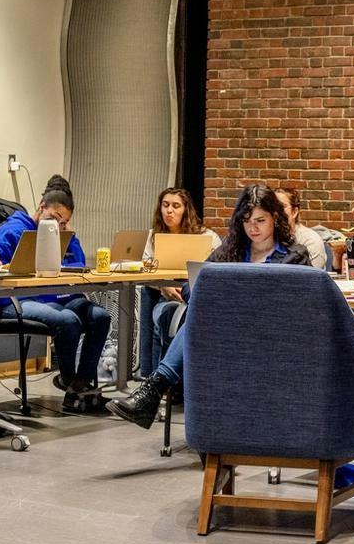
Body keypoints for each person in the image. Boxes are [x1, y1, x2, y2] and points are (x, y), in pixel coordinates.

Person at [112, 184, 313, 429]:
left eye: (261, 220)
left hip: (271, 335)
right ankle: (166, 401)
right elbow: (190, 286)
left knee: (200, 321)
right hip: (227, 332)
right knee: (202, 316)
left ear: (275, 218)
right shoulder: (231, 251)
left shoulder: (295, 255)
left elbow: (304, 302)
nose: (253, 228)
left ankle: (153, 391)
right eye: (247, 221)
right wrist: (207, 291)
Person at [0, 176, 112, 411]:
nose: (58, 225)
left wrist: (68, 237)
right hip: (17, 299)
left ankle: (80, 384)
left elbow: (79, 268)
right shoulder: (13, 231)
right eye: (55, 218)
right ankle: (69, 384)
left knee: (100, 317)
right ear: (41, 208)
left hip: (57, 297)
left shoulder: (63, 234)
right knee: (67, 320)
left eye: (64, 222)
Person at [143, 185, 221, 351]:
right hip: (166, 298)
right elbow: (145, 269)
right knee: (166, 315)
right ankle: (161, 374)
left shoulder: (206, 236)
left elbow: (219, 268)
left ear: (186, 210)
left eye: (175, 206)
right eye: (165, 205)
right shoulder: (152, 236)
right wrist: (163, 286)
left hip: (197, 299)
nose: (169, 211)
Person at [272, 185, 332, 269]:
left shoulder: (311, 240)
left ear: (294, 212)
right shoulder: (266, 238)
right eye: (273, 207)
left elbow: (313, 278)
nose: (277, 212)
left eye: (282, 206)